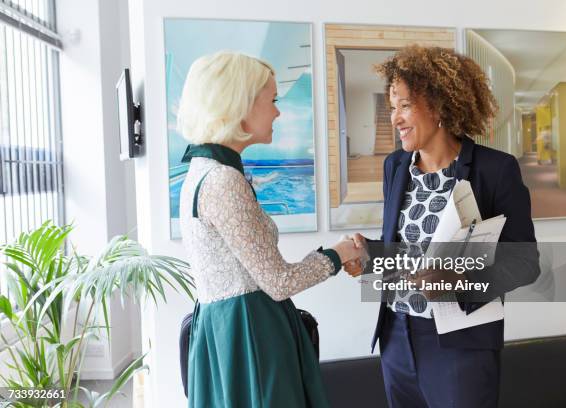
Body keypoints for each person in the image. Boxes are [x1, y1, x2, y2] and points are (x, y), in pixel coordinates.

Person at [345, 45, 540, 408]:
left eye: (404, 105)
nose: (395, 118)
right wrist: (370, 254)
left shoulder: (495, 170)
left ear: (438, 107)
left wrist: (457, 281)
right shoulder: (395, 167)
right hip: (397, 335)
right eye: (392, 107)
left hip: (460, 344)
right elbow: (406, 247)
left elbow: (525, 262)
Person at [177, 51, 364, 408]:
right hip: (250, 336)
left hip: (228, 332)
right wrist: (338, 254)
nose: (278, 111)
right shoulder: (222, 180)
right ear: (240, 104)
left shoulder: (202, 171)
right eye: (272, 100)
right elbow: (280, 282)